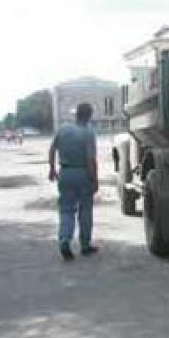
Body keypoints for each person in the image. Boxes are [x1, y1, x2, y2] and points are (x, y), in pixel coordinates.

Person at [48, 103, 99, 260]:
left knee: (66, 209)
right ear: (89, 116)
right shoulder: (88, 133)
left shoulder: (63, 129)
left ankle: (64, 239)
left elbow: (52, 149)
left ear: (76, 114)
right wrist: (94, 179)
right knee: (85, 211)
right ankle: (85, 245)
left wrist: (52, 168)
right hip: (82, 173)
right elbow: (91, 160)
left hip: (65, 172)